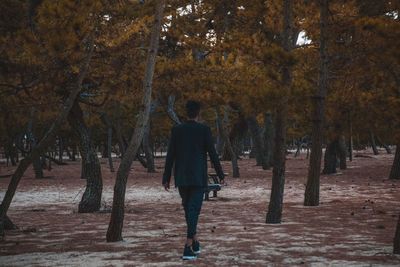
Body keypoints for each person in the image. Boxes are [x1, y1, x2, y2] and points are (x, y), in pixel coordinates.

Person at [162, 100, 225, 260]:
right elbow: (212, 153)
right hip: (197, 176)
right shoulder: (204, 130)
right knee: (193, 210)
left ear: (185, 113)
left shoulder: (177, 130)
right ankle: (188, 245)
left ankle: (195, 242)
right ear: (198, 113)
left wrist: (166, 177)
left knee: (189, 209)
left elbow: (170, 155)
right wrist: (220, 174)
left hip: (182, 176)